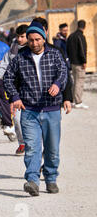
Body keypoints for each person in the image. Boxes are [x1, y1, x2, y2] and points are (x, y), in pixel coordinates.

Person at [4, 20, 68, 196]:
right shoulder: (20, 58)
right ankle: (32, 180)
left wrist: (57, 84)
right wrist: (15, 97)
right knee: (32, 147)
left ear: (44, 38)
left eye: (38, 39)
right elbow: (8, 79)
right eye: (31, 40)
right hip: (29, 110)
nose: (34, 43)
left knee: (52, 148)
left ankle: (50, 178)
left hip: (51, 109)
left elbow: (64, 72)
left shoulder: (55, 55)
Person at [0, 24, 28, 156]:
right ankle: (22, 143)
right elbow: (4, 64)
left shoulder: (35, 48)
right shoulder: (13, 49)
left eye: (22, 37)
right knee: (17, 119)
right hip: (17, 91)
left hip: (33, 91)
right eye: (18, 36)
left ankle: (38, 147)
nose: (19, 39)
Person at [67, 20, 88, 109]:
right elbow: (82, 50)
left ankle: (72, 100)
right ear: (84, 27)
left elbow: (67, 49)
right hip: (79, 63)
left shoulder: (71, 36)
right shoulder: (80, 36)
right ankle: (78, 101)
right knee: (79, 82)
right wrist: (84, 61)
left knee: (75, 82)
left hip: (72, 63)